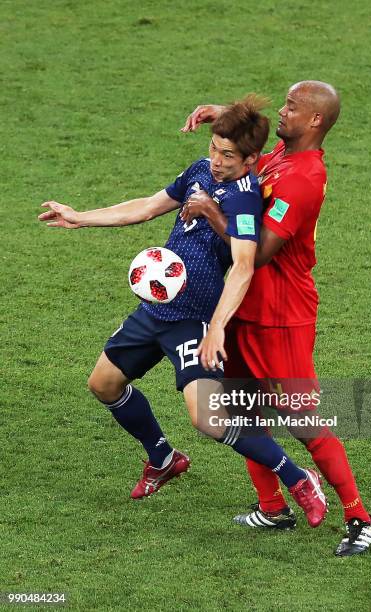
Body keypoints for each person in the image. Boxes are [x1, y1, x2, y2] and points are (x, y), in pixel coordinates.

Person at [38, 95, 328, 528]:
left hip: (193, 319)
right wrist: (81, 217)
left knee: (207, 418)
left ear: (252, 159)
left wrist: (217, 330)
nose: (216, 160)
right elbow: (149, 206)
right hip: (158, 305)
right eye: (214, 149)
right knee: (103, 384)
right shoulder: (198, 171)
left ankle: (297, 477)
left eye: (227, 155)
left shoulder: (244, 201)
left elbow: (244, 265)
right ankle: (163, 457)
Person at [180, 81, 371, 556]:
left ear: (314, 121)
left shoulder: (303, 178)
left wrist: (211, 213)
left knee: (303, 420)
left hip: (281, 315)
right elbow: (254, 141)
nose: (283, 112)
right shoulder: (280, 155)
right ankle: (272, 507)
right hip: (243, 305)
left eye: (292, 107)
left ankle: (358, 517)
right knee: (242, 407)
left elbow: (262, 252)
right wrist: (223, 111)